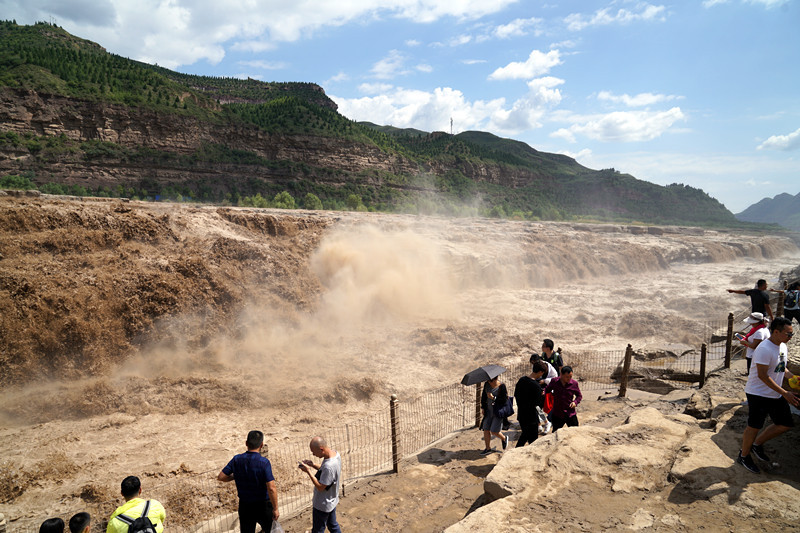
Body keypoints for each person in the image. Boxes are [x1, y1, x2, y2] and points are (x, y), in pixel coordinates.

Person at [737, 317, 799, 474]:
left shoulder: (782, 346)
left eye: (792, 334)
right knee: (754, 426)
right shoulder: (765, 349)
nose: (791, 338)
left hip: (774, 393)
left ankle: (756, 445)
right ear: (776, 332)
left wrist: (792, 377)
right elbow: (763, 376)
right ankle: (743, 455)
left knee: (785, 424)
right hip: (758, 393)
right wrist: (785, 393)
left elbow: (781, 367)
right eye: (788, 334)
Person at [218, 430, 279, 533]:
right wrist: (275, 508)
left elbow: (221, 477)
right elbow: (272, 488)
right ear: (261, 445)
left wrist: (235, 476)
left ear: (246, 443)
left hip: (245, 506)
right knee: (271, 530)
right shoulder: (264, 463)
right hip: (263, 506)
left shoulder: (237, 459)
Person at [299, 436, 342, 533]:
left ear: (321, 449)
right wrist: (313, 465)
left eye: (314, 452)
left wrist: (308, 472)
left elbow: (320, 487)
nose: (313, 454)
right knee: (332, 525)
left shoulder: (329, 466)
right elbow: (325, 471)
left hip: (322, 505)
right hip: (332, 500)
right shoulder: (335, 454)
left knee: (318, 530)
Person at [514, 361, 548, 447]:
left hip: (521, 415)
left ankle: (515, 452)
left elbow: (516, 395)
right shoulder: (536, 386)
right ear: (540, 372)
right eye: (542, 373)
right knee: (533, 441)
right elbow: (538, 405)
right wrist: (541, 395)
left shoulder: (521, 380)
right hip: (531, 417)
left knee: (525, 435)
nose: (541, 376)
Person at [545, 366, 582, 431]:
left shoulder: (574, 384)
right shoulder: (554, 381)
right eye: (567, 377)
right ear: (561, 375)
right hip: (557, 413)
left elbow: (579, 396)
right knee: (555, 433)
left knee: (575, 432)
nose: (569, 379)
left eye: (570, 377)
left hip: (570, 412)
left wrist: (575, 402)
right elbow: (547, 390)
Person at [479, 376, 510, 454]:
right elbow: (483, 397)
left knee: (494, 431)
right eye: (489, 381)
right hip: (488, 411)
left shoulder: (502, 386)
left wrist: (493, 398)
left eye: (491, 381)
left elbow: (504, 400)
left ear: (496, 379)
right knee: (486, 429)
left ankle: (504, 438)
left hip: (498, 412)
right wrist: (483, 407)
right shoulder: (487, 384)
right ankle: (488, 448)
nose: (490, 383)